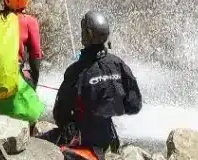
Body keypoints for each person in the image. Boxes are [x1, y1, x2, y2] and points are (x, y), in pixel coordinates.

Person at [44, 10, 142, 160]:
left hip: (85, 140)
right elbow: (134, 105)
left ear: (87, 35)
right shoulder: (118, 64)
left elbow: (60, 114)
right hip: (110, 137)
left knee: (41, 143)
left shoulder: (76, 71)